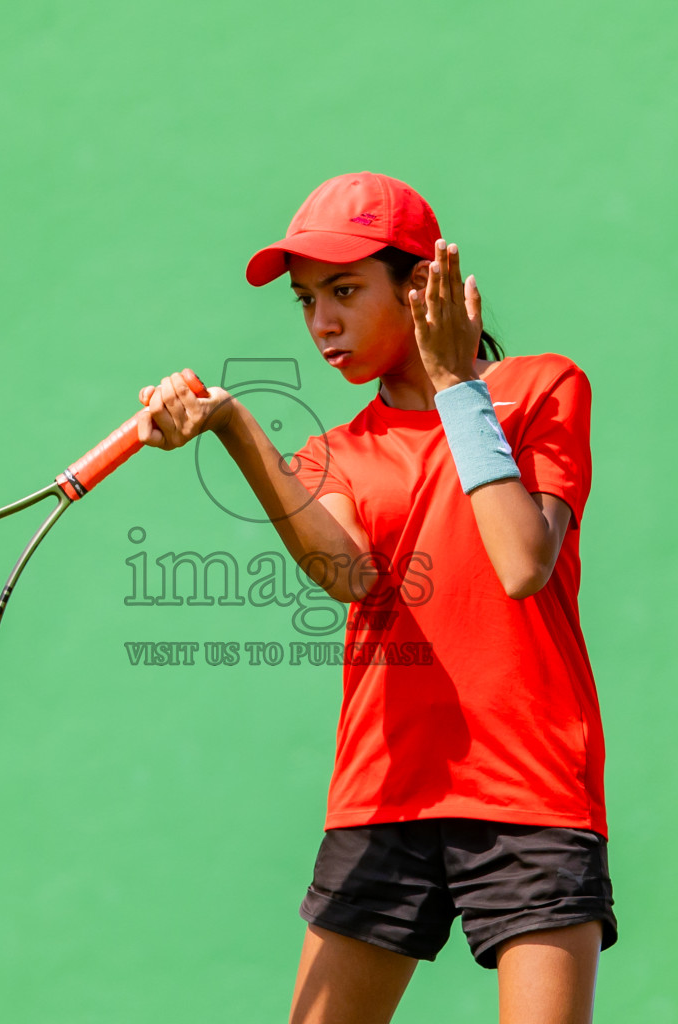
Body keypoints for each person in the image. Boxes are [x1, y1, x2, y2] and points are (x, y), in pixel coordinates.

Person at [136, 172, 614, 1024]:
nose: (322, 322)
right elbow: (348, 575)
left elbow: (520, 561)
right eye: (307, 300)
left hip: (531, 795)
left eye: (346, 291)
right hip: (383, 796)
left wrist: (457, 387)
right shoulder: (339, 455)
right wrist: (235, 426)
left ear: (422, 286)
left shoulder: (544, 389)